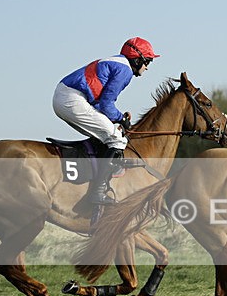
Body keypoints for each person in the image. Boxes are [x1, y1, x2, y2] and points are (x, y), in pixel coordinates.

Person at [52, 37, 160, 204]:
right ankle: (98, 192)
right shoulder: (125, 70)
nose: (147, 67)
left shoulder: (118, 63)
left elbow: (102, 104)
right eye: (147, 62)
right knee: (117, 139)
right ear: (137, 59)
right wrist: (121, 118)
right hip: (71, 99)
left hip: (67, 96)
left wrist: (117, 118)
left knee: (107, 134)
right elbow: (106, 104)